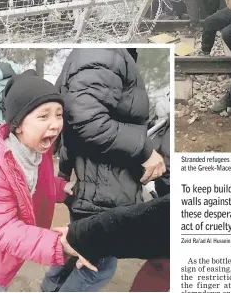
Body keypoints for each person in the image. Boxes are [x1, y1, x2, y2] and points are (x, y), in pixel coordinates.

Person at [0, 71, 93, 292]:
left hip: (6, 244)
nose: (55, 124)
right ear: (18, 125)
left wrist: (61, 187)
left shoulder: (36, 151)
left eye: (58, 114)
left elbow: (33, 184)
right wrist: (58, 244)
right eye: (44, 116)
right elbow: (1, 229)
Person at [41, 48, 166, 292]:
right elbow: (86, 120)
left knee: (77, 245)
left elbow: (74, 121)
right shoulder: (103, 52)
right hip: (104, 188)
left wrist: (65, 171)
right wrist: (145, 150)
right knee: (97, 267)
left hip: (96, 183)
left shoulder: (99, 55)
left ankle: (49, 287)